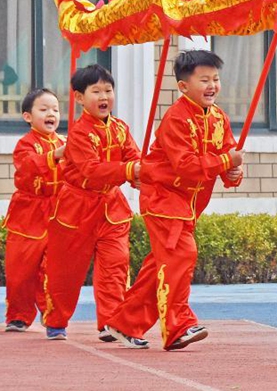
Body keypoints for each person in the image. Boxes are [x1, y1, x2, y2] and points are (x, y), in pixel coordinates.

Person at [104, 50, 243, 351]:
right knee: (181, 255)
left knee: (161, 266)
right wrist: (224, 161)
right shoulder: (177, 118)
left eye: (215, 79)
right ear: (183, 86)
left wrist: (234, 172)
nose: (212, 85)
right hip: (164, 197)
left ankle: (124, 324)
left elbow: (227, 162)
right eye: (204, 79)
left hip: (189, 205)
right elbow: (187, 166)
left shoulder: (219, 118)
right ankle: (178, 326)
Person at [43, 65, 141, 341]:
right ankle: (56, 320)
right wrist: (131, 172)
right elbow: (92, 169)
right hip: (76, 207)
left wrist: (144, 176)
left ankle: (110, 322)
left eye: (108, 90)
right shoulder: (78, 133)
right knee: (66, 271)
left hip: (112, 207)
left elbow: (135, 159)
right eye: (96, 91)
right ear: (79, 97)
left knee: (116, 265)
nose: (104, 96)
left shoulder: (121, 128)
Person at [3, 89, 65, 332]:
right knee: (20, 268)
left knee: (52, 269)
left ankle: (52, 315)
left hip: (57, 212)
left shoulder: (64, 143)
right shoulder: (24, 144)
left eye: (56, 109)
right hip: (28, 213)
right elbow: (28, 167)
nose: (51, 113)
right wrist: (55, 156)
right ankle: (18, 315)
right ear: (28, 116)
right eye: (44, 109)